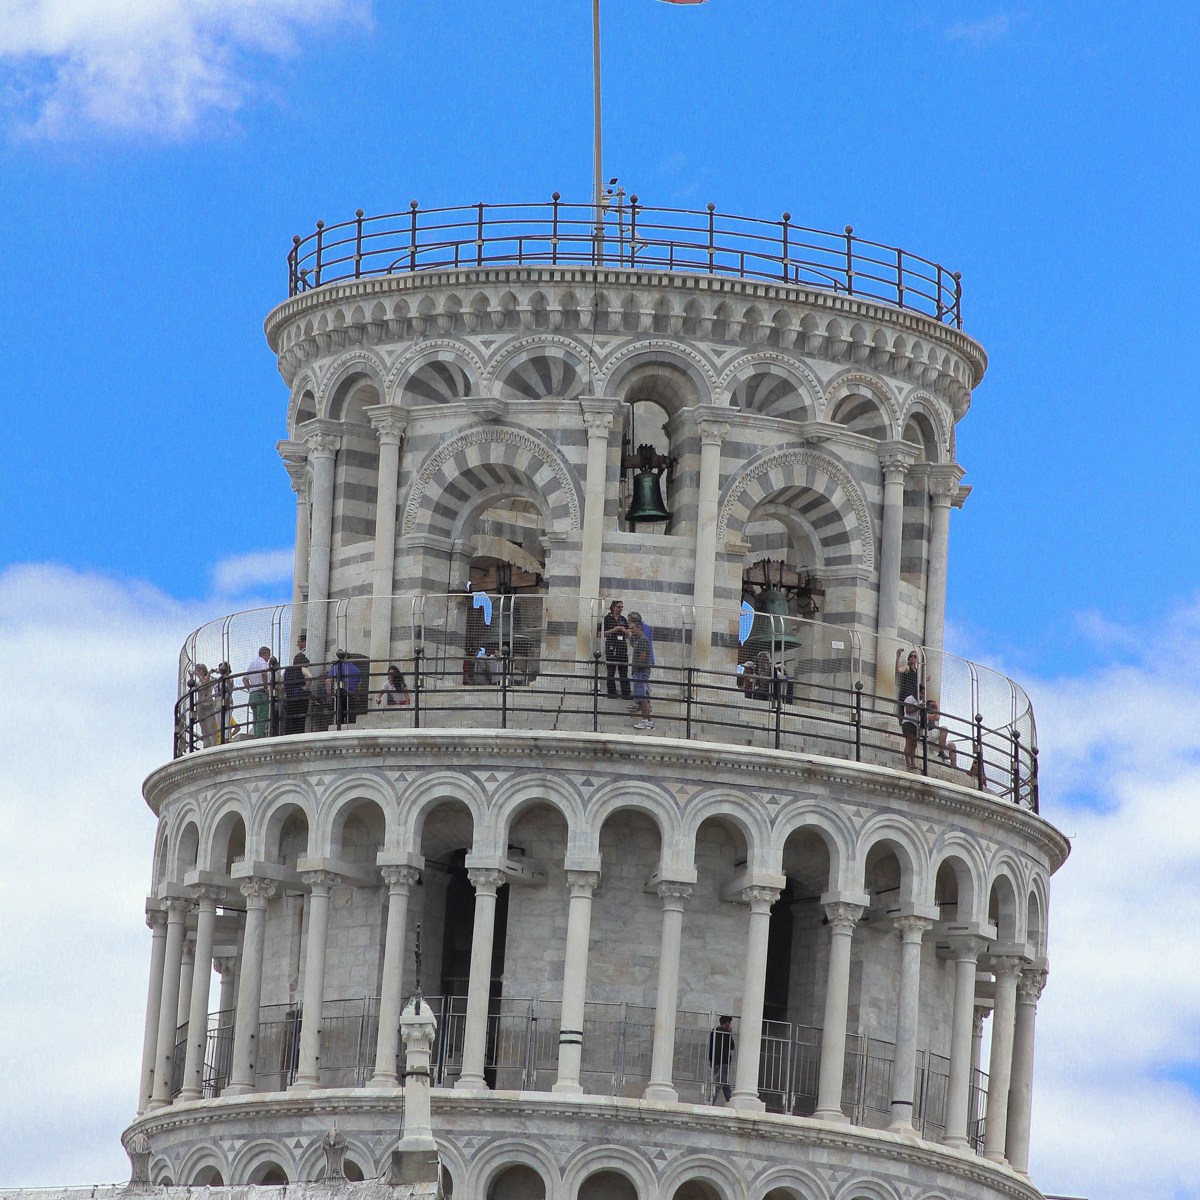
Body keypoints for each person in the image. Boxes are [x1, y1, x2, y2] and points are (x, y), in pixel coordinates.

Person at [628, 614, 654, 729]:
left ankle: (645, 720)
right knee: (643, 697)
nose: (632, 630)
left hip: (640, 672)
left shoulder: (643, 641)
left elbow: (642, 657)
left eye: (633, 628)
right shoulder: (640, 640)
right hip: (641, 672)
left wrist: (636, 667)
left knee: (641, 697)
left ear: (640, 629)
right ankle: (648, 721)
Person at [603, 600, 631, 699]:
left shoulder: (623, 619)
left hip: (622, 648)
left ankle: (626, 693)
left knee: (624, 672)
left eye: (622, 607)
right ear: (613, 607)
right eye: (619, 607)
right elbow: (600, 633)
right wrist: (613, 630)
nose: (620, 609)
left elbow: (629, 634)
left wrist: (624, 630)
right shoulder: (607, 618)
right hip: (611, 648)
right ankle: (611, 693)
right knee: (611, 671)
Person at [243, 646, 272, 738]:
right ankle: (259, 737)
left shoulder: (252, 664)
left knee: (255, 717)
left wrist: (250, 689)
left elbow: (244, 679)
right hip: (260, 693)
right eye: (269, 654)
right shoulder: (263, 663)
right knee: (261, 717)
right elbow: (264, 673)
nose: (269, 657)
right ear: (265, 653)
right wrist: (265, 686)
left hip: (252, 695)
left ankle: (255, 735)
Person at [328, 650, 361, 726]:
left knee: (338, 719)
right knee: (351, 721)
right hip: (350, 696)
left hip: (338, 696)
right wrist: (357, 696)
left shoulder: (335, 667)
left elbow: (328, 681)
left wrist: (330, 695)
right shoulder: (356, 669)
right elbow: (358, 686)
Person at [282, 652, 311, 735]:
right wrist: (306, 687)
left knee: (290, 720)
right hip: (301, 696)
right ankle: (299, 735)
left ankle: (288, 736)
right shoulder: (301, 668)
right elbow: (310, 676)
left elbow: (282, 685)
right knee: (300, 719)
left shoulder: (287, 670)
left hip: (290, 697)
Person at [708, 1015, 735, 1103]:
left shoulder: (714, 1031)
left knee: (724, 1082)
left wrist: (711, 1060)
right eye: (730, 1023)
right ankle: (710, 1101)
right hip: (724, 1061)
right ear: (727, 1023)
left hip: (715, 1061)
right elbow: (732, 1046)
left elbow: (710, 1047)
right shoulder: (726, 1033)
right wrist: (730, 1034)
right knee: (719, 1082)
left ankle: (729, 1100)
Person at [924, 695, 956, 767]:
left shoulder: (931, 716)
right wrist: (937, 706)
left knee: (952, 745)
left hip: (933, 739)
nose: (934, 709)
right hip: (926, 734)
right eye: (933, 707)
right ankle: (941, 752)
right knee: (944, 729)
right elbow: (937, 717)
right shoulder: (925, 713)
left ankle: (954, 766)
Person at [192, 663, 219, 748]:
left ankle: (213, 745)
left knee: (211, 727)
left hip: (209, 706)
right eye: (197, 670)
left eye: (199, 670)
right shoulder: (198, 682)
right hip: (200, 707)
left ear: (204, 671)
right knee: (204, 729)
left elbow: (205, 688)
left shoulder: (209, 679)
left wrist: (206, 675)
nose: (198, 672)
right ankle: (206, 746)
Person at [896, 648, 920, 727]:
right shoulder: (907, 667)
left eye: (915, 656)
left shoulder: (916, 671)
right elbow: (899, 670)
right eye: (911, 656)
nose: (913, 658)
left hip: (913, 695)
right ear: (909, 658)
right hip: (906, 693)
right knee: (904, 712)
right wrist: (898, 657)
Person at [901, 689, 921, 770]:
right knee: (909, 742)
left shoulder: (921, 701)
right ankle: (907, 762)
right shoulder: (910, 699)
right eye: (921, 693)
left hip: (916, 725)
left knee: (914, 744)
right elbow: (908, 711)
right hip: (908, 722)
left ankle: (913, 762)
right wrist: (918, 707)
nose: (922, 695)